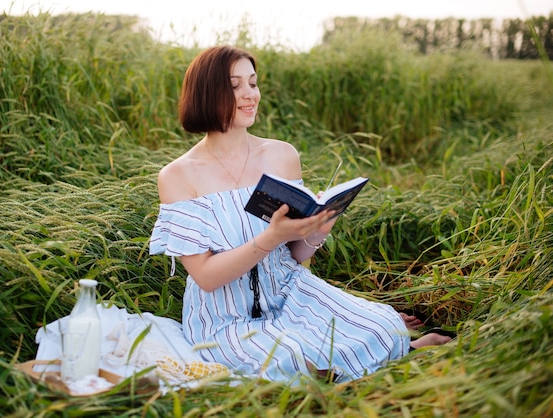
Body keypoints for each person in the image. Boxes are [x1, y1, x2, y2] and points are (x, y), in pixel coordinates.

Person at [149, 45, 450, 384]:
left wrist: (318, 229)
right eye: (235, 86)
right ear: (207, 93)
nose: (250, 95)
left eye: (253, 83)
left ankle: (394, 351)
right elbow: (206, 277)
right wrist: (270, 237)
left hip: (291, 292)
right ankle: (367, 365)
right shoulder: (177, 176)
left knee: (384, 327)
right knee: (293, 362)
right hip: (224, 316)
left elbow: (296, 254)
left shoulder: (280, 155)